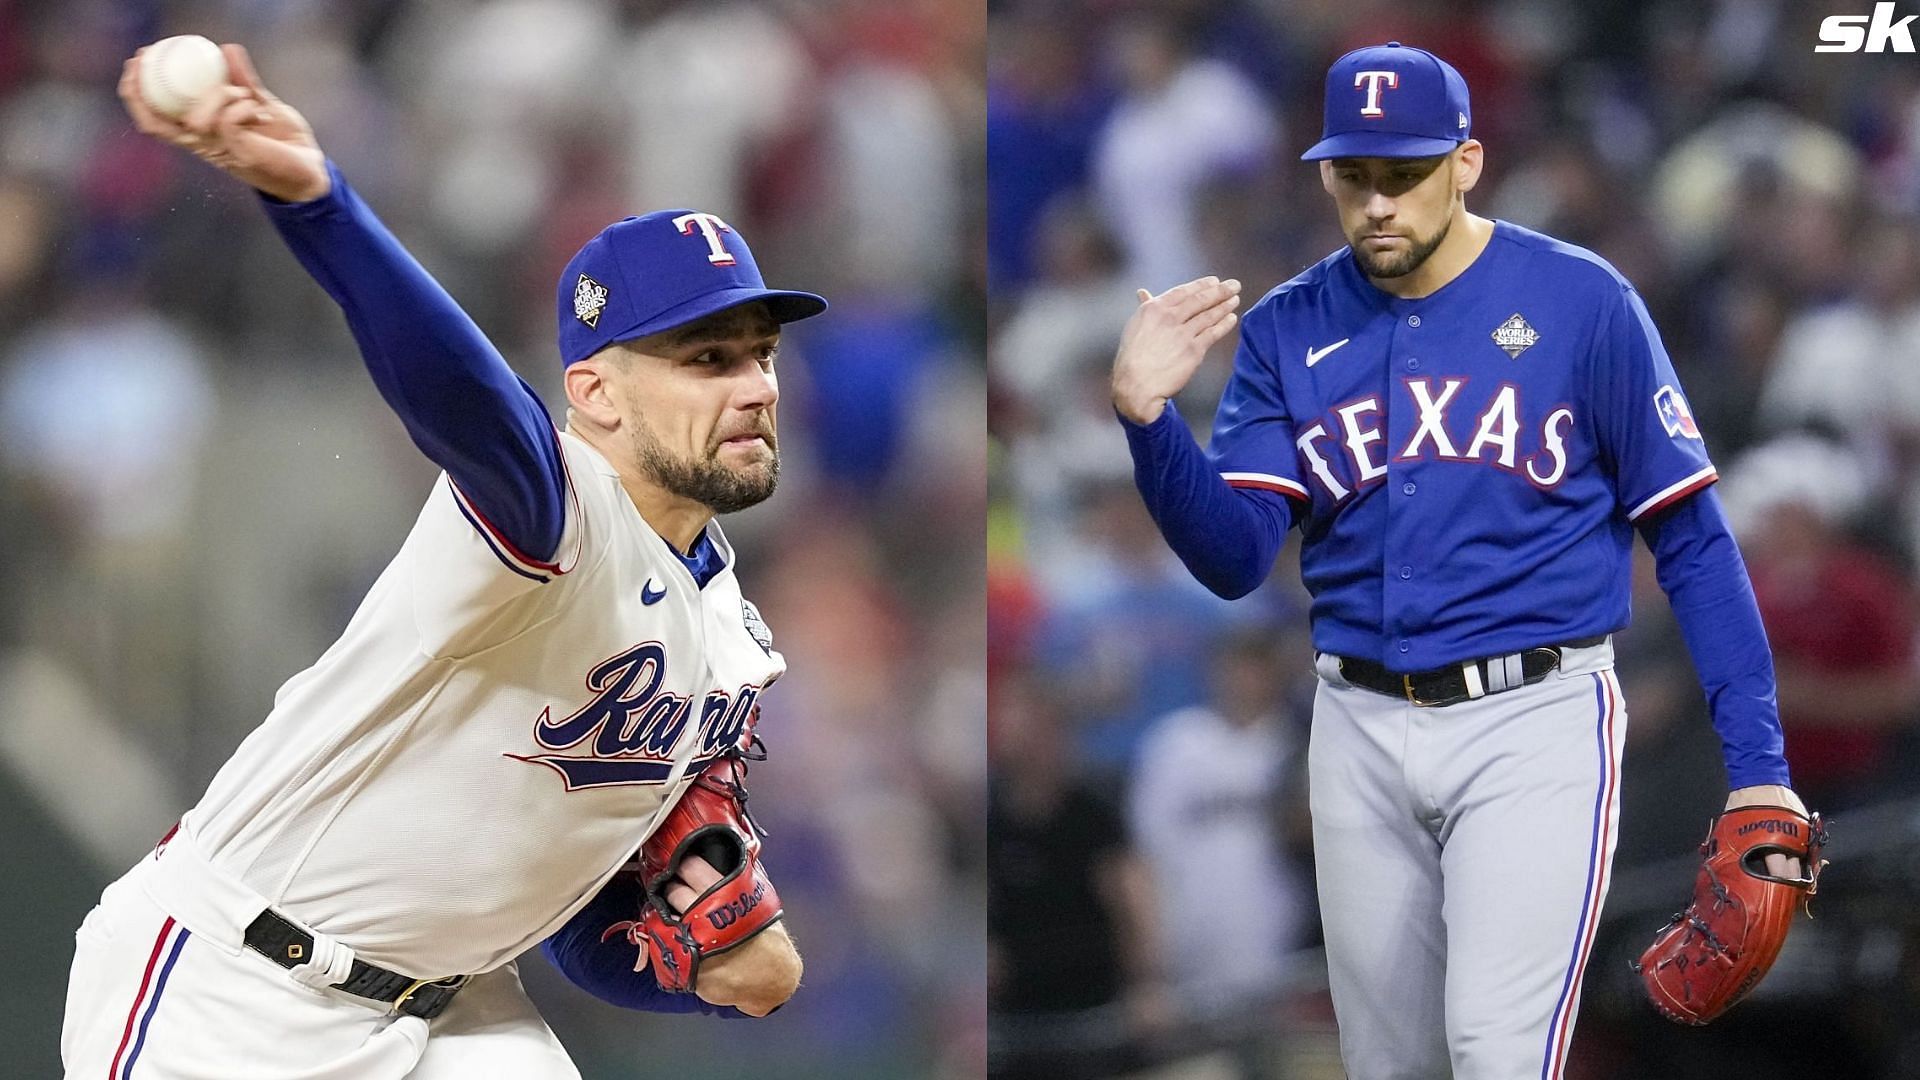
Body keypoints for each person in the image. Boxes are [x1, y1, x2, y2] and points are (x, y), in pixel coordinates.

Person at [62, 43, 821, 1078]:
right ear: (596, 394)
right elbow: (464, 396)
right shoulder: (557, 513)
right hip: (234, 985)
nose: (755, 387)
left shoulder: (731, 637)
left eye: (761, 354)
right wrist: (319, 204)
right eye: (708, 359)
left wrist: (707, 972)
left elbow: (581, 926)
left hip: (457, 1012)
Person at [1109, 42, 1810, 1080]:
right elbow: (1234, 560)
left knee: (1494, 1050)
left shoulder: (1584, 302)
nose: (1379, 203)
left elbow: (1695, 543)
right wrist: (1150, 422)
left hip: (1535, 718)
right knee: (1391, 1069)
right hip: (1354, 721)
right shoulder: (1286, 330)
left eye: (1406, 173)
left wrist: (1761, 770)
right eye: (1357, 175)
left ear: (1468, 161)